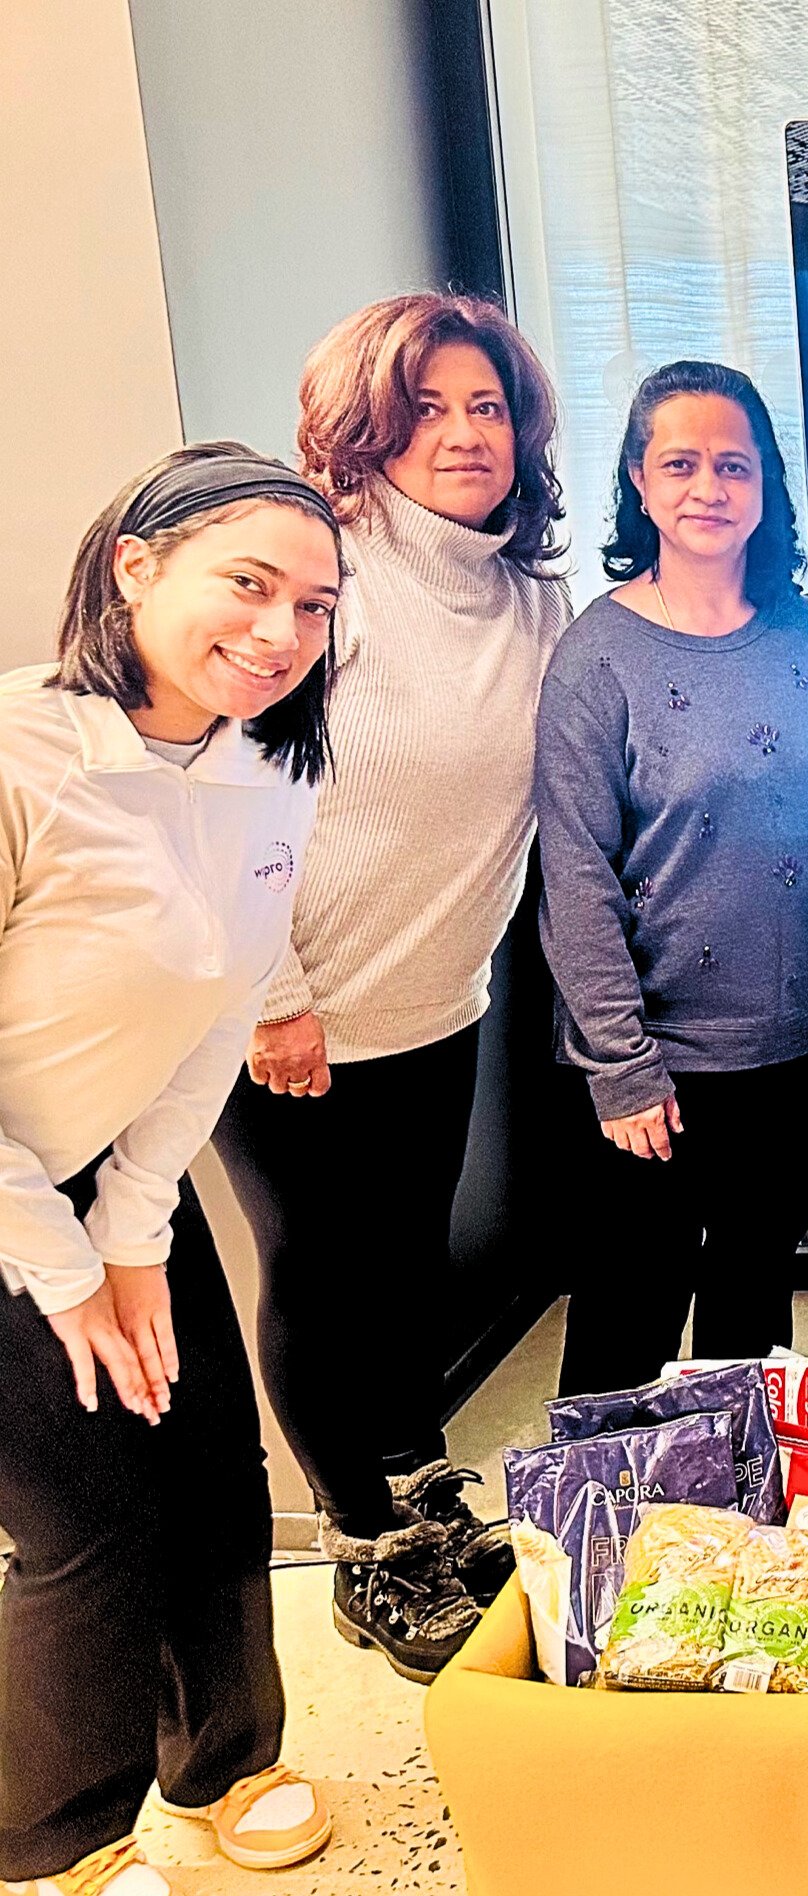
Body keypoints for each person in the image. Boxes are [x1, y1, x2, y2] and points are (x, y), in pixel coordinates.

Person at [209, 294, 572, 1682]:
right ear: (366, 426)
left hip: (436, 1001)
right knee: (320, 1270)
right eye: (427, 409)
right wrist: (272, 992)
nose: (464, 434)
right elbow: (219, 787)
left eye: (487, 407)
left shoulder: (530, 601)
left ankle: (422, 1496)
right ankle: (363, 1545)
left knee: (406, 1264)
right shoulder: (327, 579)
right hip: (284, 1010)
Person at [0, 447, 341, 1896]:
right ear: (135, 566)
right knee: (82, 1525)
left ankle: (223, 1763)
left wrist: (135, 1231)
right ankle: (53, 1841)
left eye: (314, 606)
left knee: (209, 1472)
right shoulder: (20, 755)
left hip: (114, 1172)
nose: (280, 633)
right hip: (7, 1199)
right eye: (247, 584)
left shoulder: (265, 772)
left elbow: (220, 1014)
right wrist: (64, 1268)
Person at [536, 360, 808, 1399]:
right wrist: (621, 1069)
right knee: (625, 1322)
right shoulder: (598, 656)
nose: (707, 488)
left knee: (752, 1310)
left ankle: (738, 1495)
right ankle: (596, 1499)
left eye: (733, 465)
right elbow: (574, 873)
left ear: (766, 486)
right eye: (679, 464)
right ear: (638, 479)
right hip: (657, 1064)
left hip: (797, 1047)